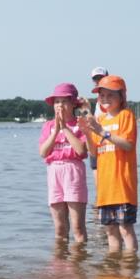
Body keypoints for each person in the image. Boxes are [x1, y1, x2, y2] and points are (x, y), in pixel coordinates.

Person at [79, 75, 138, 253]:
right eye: (102, 96)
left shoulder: (125, 116)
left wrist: (102, 132)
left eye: (110, 95)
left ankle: (129, 268)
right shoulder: (101, 121)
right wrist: (88, 133)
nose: (105, 99)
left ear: (121, 97)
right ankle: (113, 270)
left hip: (122, 186)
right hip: (105, 189)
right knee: (110, 231)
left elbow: (128, 144)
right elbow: (94, 152)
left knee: (125, 229)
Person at [38, 83, 88, 244]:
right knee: (60, 228)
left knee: (77, 227)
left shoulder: (80, 124)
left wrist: (65, 128)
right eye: (57, 101)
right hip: (54, 172)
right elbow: (43, 152)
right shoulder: (48, 126)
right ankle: (60, 265)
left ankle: (78, 264)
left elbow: (81, 151)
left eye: (64, 101)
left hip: (73, 171)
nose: (60, 105)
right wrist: (56, 131)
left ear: (73, 104)